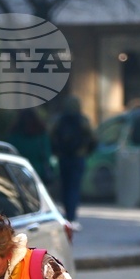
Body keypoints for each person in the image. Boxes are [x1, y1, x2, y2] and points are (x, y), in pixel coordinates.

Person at [50, 95, 95, 225]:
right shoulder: (83, 120)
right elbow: (92, 139)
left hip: (63, 157)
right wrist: (86, 152)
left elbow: (51, 137)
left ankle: (67, 213)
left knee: (65, 186)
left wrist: (56, 151)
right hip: (78, 157)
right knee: (74, 187)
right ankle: (72, 215)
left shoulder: (58, 120)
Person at [6, 108, 54, 183]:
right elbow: (47, 154)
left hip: (20, 173)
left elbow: (10, 153)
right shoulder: (41, 134)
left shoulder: (15, 134)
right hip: (39, 173)